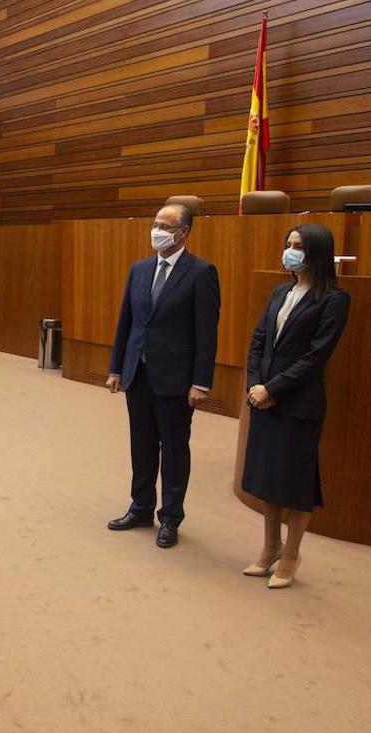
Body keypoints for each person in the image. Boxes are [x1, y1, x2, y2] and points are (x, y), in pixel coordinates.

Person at [241, 224, 350, 588]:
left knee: (296, 483)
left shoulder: (335, 299)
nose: (291, 251)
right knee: (268, 477)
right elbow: (258, 340)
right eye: (288, 244)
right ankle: (271, 546)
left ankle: (291, 554)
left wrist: (272, 388)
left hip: (298, 404)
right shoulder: (280, 290)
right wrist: (255, 384)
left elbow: (316, 356)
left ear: (316, 252)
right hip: (264, 400)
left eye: (298, 246)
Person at [105, 203, 220, 548]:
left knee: (173, 449)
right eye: (155, 223)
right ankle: (140, 507)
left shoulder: (201, 272)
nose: (156, 231)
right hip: (138, 373)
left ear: (183, 232)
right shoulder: (139, 270)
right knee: (141, 446)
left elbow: (206, 333)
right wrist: (116, 368)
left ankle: (170, 517)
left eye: (165, 226)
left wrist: (201, 382)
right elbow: (126, 321)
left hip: (175, 379)